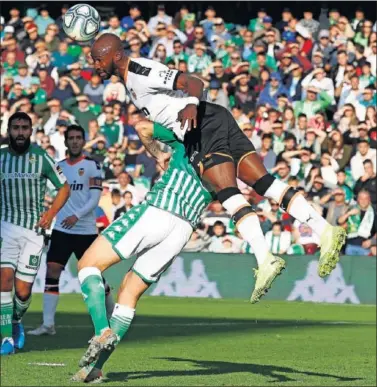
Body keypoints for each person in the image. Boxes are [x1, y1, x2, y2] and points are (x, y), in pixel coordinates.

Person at [90, 33, 346, 304]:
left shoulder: (140, 71)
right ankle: (325, 230)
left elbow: (193, 83)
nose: (94, 64)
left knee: (227, 194)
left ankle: (265, 257)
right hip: (213, 118)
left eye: (98, 58)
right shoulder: (130, 81)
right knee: (265, 184)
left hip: (201, 127)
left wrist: (190, 106)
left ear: (115, 55)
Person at [72, 123, 214, 382]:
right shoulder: (230, 162)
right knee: (129, 292)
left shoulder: (190, 137)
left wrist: (159, 155)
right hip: (183, 230)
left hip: (159, 209)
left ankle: (102, 329)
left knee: (88, 265)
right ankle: (95, 369)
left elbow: (142, 127)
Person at [27, 125, 113, 336]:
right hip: (62, 230)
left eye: (78, 138)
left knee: (95, 276)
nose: (74, 141)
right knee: (52, 272)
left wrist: (77, 215)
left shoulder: (93, 166)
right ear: (65, 142)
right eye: (71, 138)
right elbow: (51, 194)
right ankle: (48, 325)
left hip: (85, 231)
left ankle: (112, 314)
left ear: (83, 142)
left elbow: (94, 199)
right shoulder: (58, 167)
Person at [0, 112, 70, 355]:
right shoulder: (0, 156)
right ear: (9, 130)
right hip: (5, 228)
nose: (20, 132)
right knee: (4, 281)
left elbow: (64, 188)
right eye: (16, 128)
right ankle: (5, 338)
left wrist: (50, 214)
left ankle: (16, 320)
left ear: (31, 131)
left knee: (23, 291)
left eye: (24, 128)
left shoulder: (41, 157)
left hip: (33, 232)